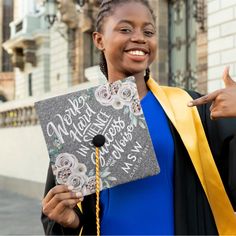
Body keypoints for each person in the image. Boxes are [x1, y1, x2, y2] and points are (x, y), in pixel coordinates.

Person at [41, 0, 236, 235]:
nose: (140, 37)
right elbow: (66, 213)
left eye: (149, 31)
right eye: (125, 29)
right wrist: (70, 222)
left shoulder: (189, 108)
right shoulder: (79, 119)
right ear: (99, 40)